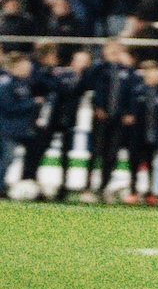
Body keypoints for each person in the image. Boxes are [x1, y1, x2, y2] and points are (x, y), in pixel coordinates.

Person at [23, 46, 91, 199]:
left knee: (66, 155)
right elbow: (58, 88)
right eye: (78, 60)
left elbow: (75, 89)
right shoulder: (58, 73)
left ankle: (64, 187)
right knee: (38, 150)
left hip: (69, 121)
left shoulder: (84, 77)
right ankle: (30, 182)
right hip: (52, 120)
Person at [80, 40, 136, 202]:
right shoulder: (99, 69)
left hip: (118, 119)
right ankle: (87, 187)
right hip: (100, 117)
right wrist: (97, 106)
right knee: (95, 152)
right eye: (111, 49)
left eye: (117, 49)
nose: (114, 52)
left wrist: (129, 112)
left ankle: (103, 188)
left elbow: (131, 94)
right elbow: (88, 86)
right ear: (105, 51)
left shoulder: (126, 71)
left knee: (112, 154)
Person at [124, 61, 158, 205]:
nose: (156, 75)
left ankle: (150, 193)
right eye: (153, 72)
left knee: (151, 163)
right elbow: (130, 115)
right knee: (134, 163)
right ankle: (133, 191)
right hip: (138, 134)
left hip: (154, 134)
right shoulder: (137, 91)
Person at [0, 52, 43, 198]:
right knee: (6, 158)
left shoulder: (23, 83)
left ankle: (28, 182)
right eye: (24, 66)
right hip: (8, 129)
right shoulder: (5, 84)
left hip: (22, 129)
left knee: (30, 153)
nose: (27, 69)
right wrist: (32, 103)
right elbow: (8, 107)